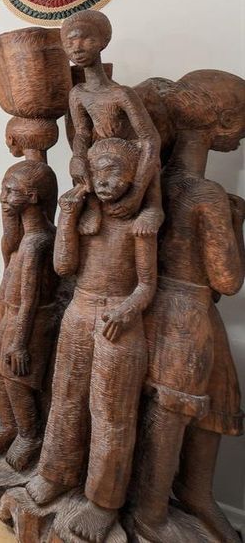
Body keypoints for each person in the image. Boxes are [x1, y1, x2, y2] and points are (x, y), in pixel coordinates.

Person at [130, 71, 245, 542]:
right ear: (223, 122)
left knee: (216, 396)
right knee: (173, 407)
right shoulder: (206, 195)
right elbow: (228, 281)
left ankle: (196, 493)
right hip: (187, 312)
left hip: (167, 306)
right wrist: (236, 223)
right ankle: (151, 511)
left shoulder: (153, 182)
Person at [26, 137, 157, 542]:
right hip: (80, 311)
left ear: (133, 175)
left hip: (119, 319)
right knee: (65, 398)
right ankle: (56, 474)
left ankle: (104, 502)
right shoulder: (86, 216)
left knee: (111, 414)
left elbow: (147, 285)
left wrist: (128, 310)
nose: (103, 180)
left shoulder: (142, 222)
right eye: (97, 172)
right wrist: (67, 218)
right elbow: (64, 266)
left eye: (113, 170)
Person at [0, 160, 59, 471]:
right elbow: (8, 255)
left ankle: (29, 434)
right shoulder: (22, 239)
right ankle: (9, 424)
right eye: (3, 189)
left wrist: (19, 343)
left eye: (10, 191)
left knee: (17, 378)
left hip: (31, 320)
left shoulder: (38, 242)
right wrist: (7, 215)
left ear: (32, 197)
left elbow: (30, 299)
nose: (3, 197)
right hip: (14, 315)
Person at [61, 11, 162, 237]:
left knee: (148, 152)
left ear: (103, 42)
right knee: (84, 158)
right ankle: (92, 206)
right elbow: (82, 133)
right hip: (101, 157)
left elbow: (150, 138)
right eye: (70, 42)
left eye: (86, 39)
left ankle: (153, 207)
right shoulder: (78, 93)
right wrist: (77, 157)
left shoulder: (121, 94)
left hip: (128, 156)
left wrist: (137, 191)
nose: (77, 48)